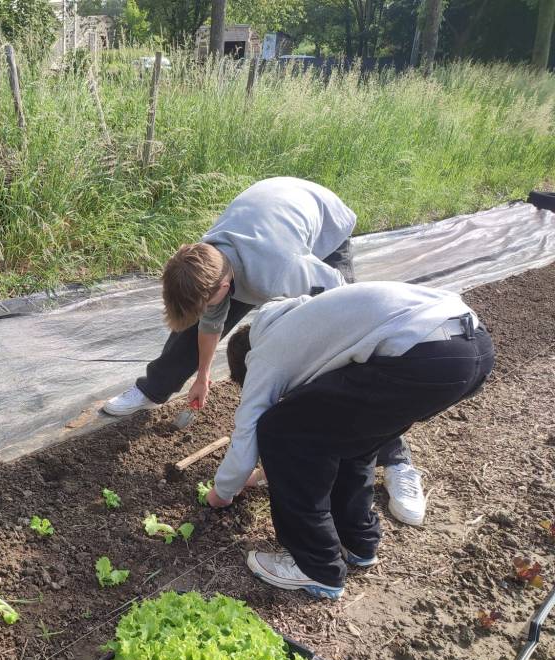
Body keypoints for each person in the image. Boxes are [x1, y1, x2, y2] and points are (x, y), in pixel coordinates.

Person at [102, 177, 430, 526]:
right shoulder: (205, 259)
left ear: (226, 286)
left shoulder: (286, 270)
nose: (211, 309)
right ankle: (152, 388)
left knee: (345, 364)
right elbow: (210, 323)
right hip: (270, 217)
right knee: (195, 332)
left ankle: (396, 461)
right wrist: (202, 375)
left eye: (213, 301)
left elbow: (349, 312)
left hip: (325, 228)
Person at [202, 282, 494, 599]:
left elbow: (249, 434)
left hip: (423, 354)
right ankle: (356, 541)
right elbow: (324, 428)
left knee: (280, 430)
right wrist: (270, 472)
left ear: (248, 362)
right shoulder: (300, 320)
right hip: (469, 345)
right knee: (352, 436)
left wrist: (223, 492)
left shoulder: (266, 355)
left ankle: (316, 566)